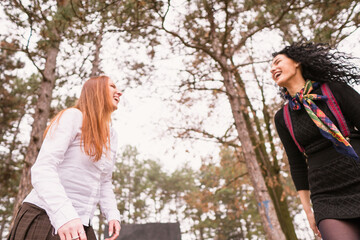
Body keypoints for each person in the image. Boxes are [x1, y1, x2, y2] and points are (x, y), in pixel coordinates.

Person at [8, 75, 122, 240]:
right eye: (112, 86)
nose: (119, 92)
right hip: (45, 215)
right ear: (95, 90)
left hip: (81, 224)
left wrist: (112, 213)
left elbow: (104, 181)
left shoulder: (112, 135)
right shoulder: (73, 117)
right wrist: (65, 215)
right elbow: (43, 168)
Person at [271, 42, 360, 240]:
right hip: (326, 197)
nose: (273, 69)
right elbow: (297, 165)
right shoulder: (282, 117)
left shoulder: (335, 90)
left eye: (277, 62)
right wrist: (308, 211)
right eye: (270, 68)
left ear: (297, 63)